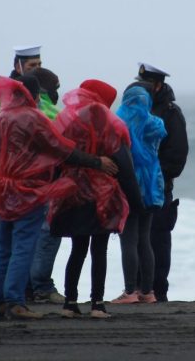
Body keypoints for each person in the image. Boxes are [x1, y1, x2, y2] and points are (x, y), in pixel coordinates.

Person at [0, 75, 118, 320]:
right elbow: (60, 149)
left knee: (3, 248)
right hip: (28, 191)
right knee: (23, 246)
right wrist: (96, 161)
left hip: (3, 189)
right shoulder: (32, 117)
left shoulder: (2, 117)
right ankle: (15, 302)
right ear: (34, 95)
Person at [48, 79, 145, 318]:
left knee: (77, 248)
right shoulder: (111, 125)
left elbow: (57, 157)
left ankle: (70, 303)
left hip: (73, 193)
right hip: (102, 195)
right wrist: (136, 201)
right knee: (99, 249)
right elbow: (124, 165)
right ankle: (97, 305)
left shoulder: (68, 122)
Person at [127, 62, 189, 302]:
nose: (141, 87)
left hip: (159, 188)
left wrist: (154, 175)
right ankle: (135, 289)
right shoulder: (135, 109)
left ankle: (158, 291)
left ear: (158, 86)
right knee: (135, 238)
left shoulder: (171, 114)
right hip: (134, 187)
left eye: (147, 84)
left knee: (158, 239)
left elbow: (177, 156)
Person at [111, 85, 167, 304]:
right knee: (145, 239)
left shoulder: (120, 122)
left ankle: (129, 291)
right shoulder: (156, 124)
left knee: (129, 240)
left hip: (130, 185)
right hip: (152, 185)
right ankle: (148, 292)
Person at [21, 67, 67, 305]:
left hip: (21, 186)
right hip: (44, 184)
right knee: (48, 233)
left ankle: (26, 287)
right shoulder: (45, 115)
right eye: (55, 88)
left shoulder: (11, 113)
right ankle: (42, 285)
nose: (58, 93)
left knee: (25, 237)